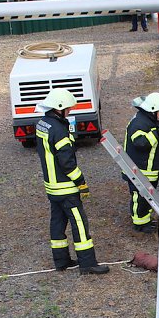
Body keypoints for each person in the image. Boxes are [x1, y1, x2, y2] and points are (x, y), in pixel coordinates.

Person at [35, 88, 110, 276]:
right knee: (80, 224)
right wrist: (81, 182)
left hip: (52, 187)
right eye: (68, 109)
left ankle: (61, 261)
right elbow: (67, 163)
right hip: (66, 188)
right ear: (59, 108)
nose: (69, 111)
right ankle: (87, 264)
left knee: (57, 223)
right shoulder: (60, 131)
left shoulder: (43, 124)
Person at [123, 92, 159, 233]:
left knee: (147, 197)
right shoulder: (139, 123)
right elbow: (140, 143)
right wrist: (157, 132)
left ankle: (145, 219)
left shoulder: (147, 120)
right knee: (139, 198)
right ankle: (139, 224)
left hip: (147, 170)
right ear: (152, 110)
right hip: (140, 171)